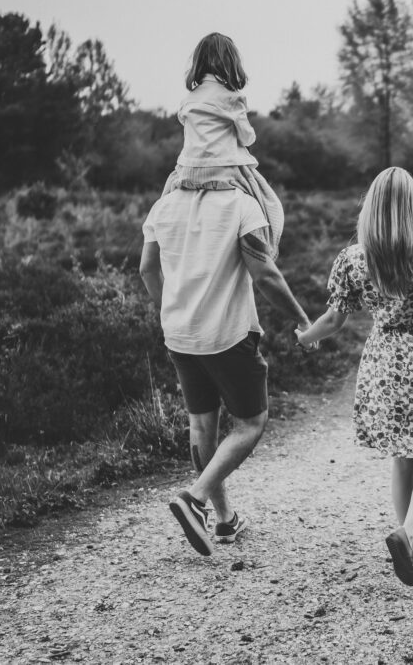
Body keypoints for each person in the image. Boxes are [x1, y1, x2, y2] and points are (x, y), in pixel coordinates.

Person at [295, 167, 413, 586]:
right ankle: (408, 533)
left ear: (370, 208)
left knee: (402, 457)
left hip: (385, 359)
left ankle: (409, 545)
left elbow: (334, 319)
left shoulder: (354, 257)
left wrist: (306, 337)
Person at [140, 186, 313, 557]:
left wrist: (171, 310)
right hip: (228, 335)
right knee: (251, 422)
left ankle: (224, 519)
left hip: (180, 335)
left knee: (202, 425)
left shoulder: (163, 204)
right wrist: (302, 319)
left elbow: (146, 269)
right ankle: (195, 499)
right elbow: (265, 275)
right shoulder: (241, 204)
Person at [161, 32, 284, 258]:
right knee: (269, 202)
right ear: (231, 62)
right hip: (224, 170)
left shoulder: (188, 99)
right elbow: (248, 138)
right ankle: (270, 250)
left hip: (188, 172)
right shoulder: (232, 97)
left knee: (164, 201)